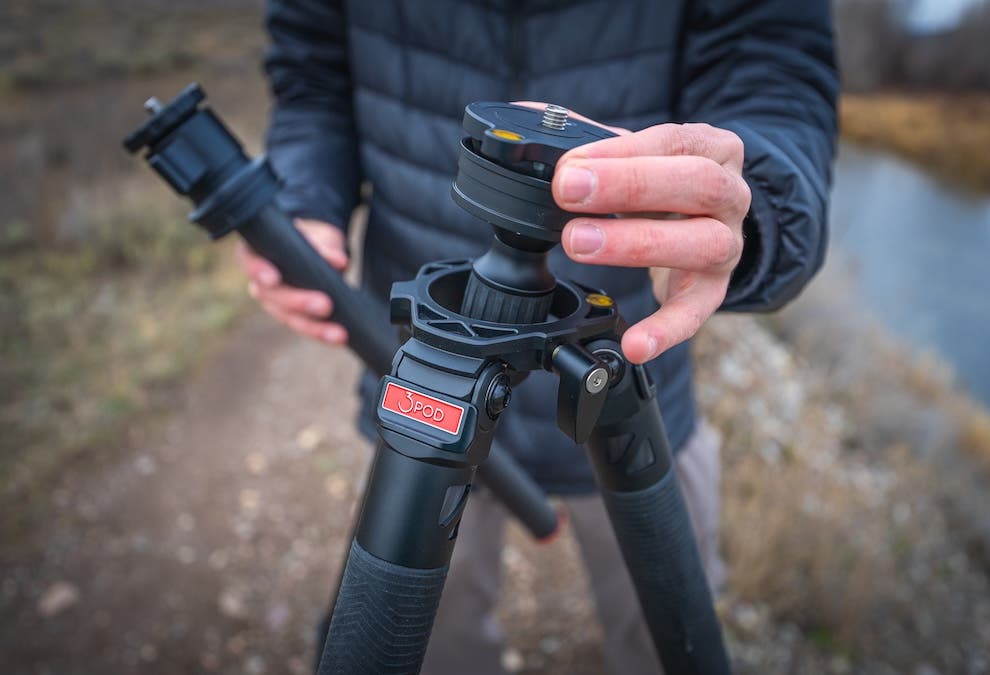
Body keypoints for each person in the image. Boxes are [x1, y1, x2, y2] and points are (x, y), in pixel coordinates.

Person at [239, 2, 838, 673]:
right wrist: (303, 197)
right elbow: (312, 80)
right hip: (433, 371)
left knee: (667, 643)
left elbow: (775, 73)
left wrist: (743, 206)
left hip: (637, 351)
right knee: (431, 646)